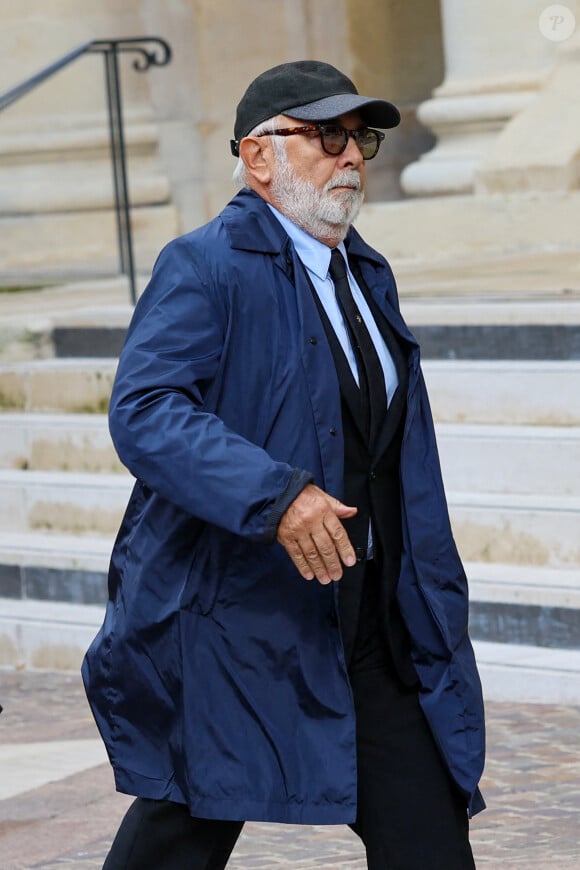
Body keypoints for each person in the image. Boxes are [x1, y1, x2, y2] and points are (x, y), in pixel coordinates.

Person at [83, 60, 485, 869]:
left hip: (369, 624)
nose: (352, 157)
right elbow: (145, 410)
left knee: (429, 836)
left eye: (360, 137)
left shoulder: (366, 274)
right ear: (258, 156)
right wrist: (279, 497)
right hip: (241, 624)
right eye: (328, 136)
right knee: (179, 833)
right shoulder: (203, 266)